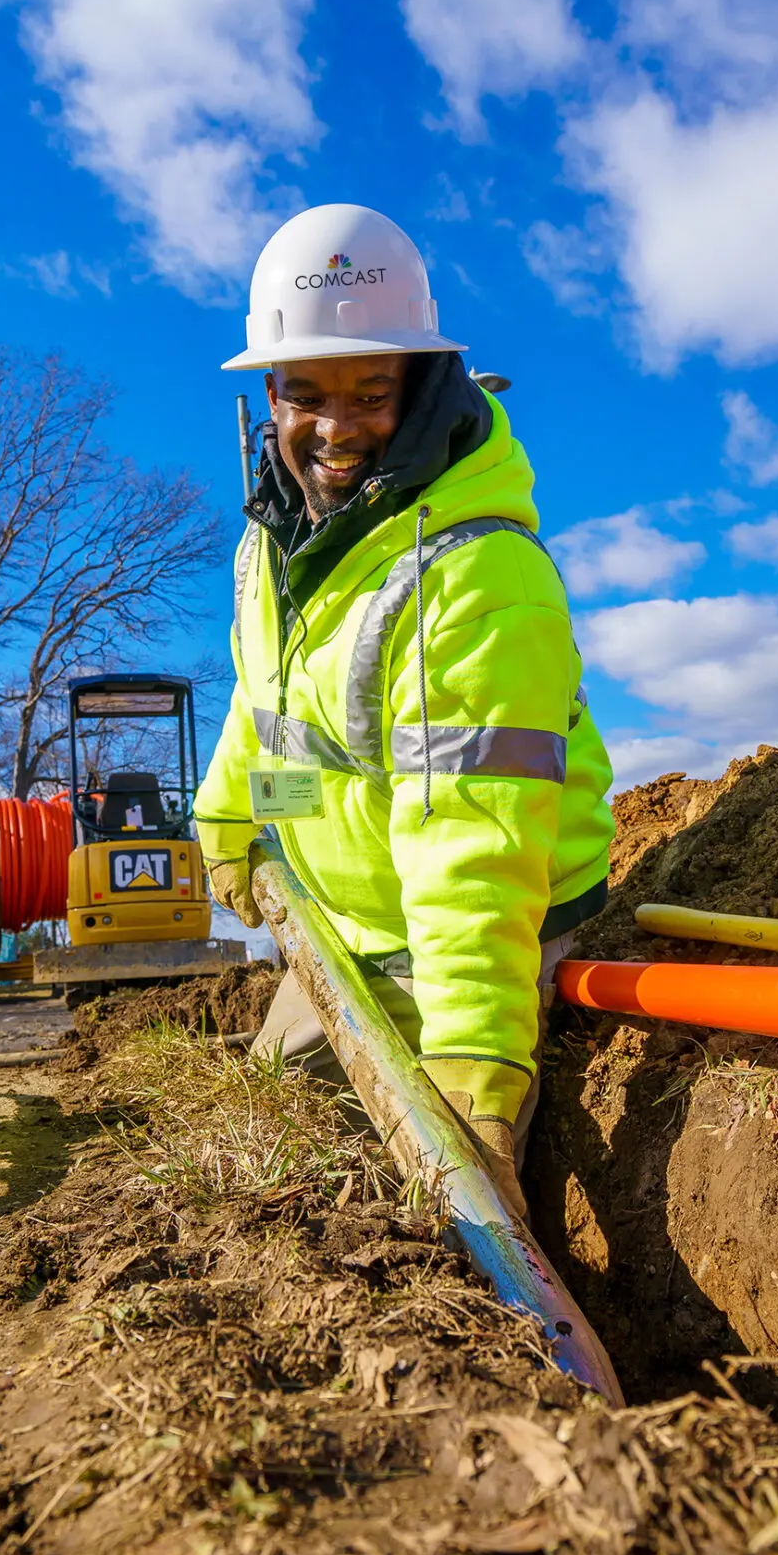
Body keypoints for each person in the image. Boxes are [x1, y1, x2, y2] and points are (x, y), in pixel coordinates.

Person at [195, 203, 616, 1214]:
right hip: (349, 920)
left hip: (470, 939)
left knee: (401, 1208)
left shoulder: (476, 575)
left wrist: (473, 1070)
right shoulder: (274, 545)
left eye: (370, 393)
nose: (334, 430)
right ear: (269, 394)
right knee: (262, 1151)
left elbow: (471, 841)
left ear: (424, 384)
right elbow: (267, 704)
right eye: (306, 394)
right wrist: (225, 822)